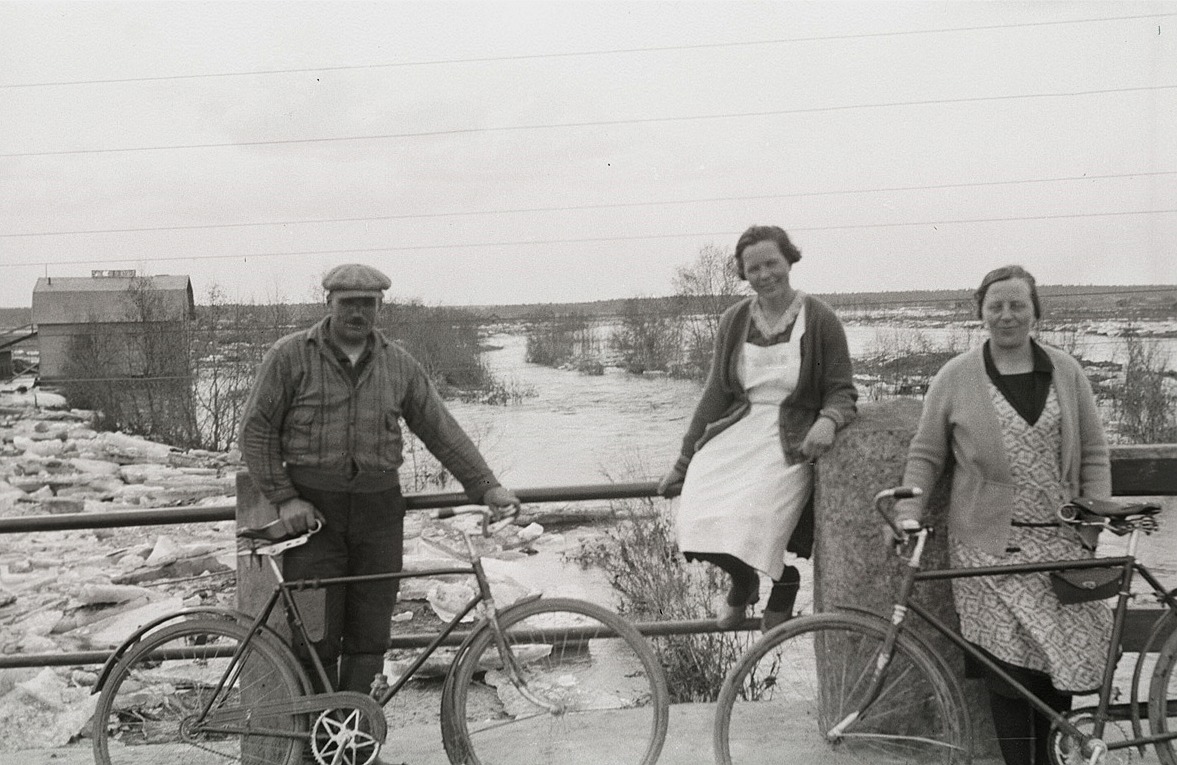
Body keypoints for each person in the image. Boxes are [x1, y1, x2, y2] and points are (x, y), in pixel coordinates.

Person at [239, 263, 521, 704]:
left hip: (378, 512)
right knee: (316, 635)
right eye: (348, 303)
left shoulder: (399, 365)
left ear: (380, 306)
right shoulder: (290, 355)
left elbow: (441, 431)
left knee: (371, 633)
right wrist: (285, 497)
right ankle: (315, 742)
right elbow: (255, 432)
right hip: (313, 515)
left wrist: (487, 487)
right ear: (328, 303)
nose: (358, 312)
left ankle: (353, 742)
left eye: (367, 304)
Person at [892, 265, 1112, 765]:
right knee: (1010, 676)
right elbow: (925, 454)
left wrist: (1092, 529)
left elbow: (1095, 453)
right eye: (997, 306)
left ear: (1036, 312)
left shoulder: (1066, 370)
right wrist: (909, 511)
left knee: (1059, 669)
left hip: (1062, 542)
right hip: (987, 550)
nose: (1007, 315)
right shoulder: (955, 377)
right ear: (981, 313)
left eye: (1018, 305)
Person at [658, 225, 857, 632]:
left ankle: (783, 581)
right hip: (739, 428)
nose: (764, 274)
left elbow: (842, 390)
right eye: (753, 268)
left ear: (789, 261)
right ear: (742, 273)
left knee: (754, 516)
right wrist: (683, 461)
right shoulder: (734, 319)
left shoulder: (820, 318)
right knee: (695, 513)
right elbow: (716, 392)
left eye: (772, 263)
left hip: (791, 437)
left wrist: (828, 420)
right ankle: (744, 580)